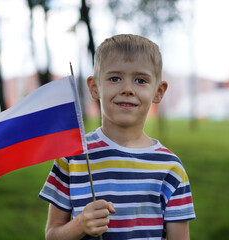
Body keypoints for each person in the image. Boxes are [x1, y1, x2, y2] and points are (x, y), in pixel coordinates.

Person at [39, 34, 196, 240]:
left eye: (140, 80)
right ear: (94, 87)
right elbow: (52, 235)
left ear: (158, 91)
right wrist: (79, 225)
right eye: (115, 78)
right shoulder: (74, 156)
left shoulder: (171, 168)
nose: (127, 89)